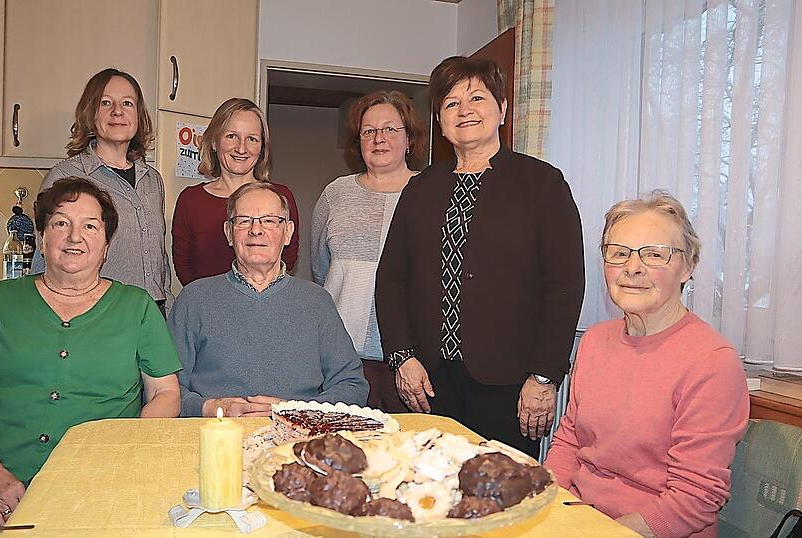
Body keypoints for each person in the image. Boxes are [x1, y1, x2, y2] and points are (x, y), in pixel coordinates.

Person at [0, 178, 182, 537]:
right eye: (61, 223)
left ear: (106, 245)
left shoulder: (137, 306)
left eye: (90, 226)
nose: (74, 236)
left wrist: (124, 456)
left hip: (97, 481)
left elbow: (166, 394)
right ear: (42, 238)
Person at [375, 56, 585, 458]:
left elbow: (564, 286)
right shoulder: (421, 188)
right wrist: (402, 357)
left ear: (502, 109)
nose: (465, 110)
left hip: (510, 384)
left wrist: (544, 377)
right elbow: (392, 280)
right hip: (429, 381)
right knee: (429, 495)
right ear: (440, 120)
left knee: (500, 499)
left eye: (476, 98)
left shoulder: (542, 183)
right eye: (451, 103)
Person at [544, 191, 749, 538]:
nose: (632, 267)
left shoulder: (712, 362)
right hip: (580, 518)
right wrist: (542, 506)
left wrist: (598, 534)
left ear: (688, 267)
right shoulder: (594, 341)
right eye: (618, 253)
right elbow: (569, 443)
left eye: (654, 255)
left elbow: (694, 500)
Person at [169, 182, 367, 417]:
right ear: (228, 233)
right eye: (244, 220)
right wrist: (209, 407)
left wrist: (297, 412)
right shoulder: (194, 299)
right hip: (216, 437)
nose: (256, 230)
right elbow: (164, 389)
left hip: (295, 441)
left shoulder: (317, 302)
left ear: (288, 233)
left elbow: (352, 386)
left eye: (269, 220)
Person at [311, 90, 427, 412]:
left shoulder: (430, 193)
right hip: (341, 356)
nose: (379, 138)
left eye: (390, 129)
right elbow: (321, 266)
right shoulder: (336, 194)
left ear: (409, 139)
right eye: (369, 131)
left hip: (410, 361)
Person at [32, 68, 173, 317]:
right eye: (105, 102)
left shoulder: (152, 181)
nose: (117, 111)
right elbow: (45, 258)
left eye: (127, 103)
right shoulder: (66, 177)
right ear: (91, 114)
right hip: (95, 315)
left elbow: (159, 258)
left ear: (139, 115)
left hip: (153, 315)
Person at [172, 98, 299, 285]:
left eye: (252, 139)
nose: (241, 148)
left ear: (262, 148)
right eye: (232, 136)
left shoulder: (280, 197)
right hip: (209, 307)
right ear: (214, 142)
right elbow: (183, 266)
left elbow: (287, 258)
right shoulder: (190, 200)